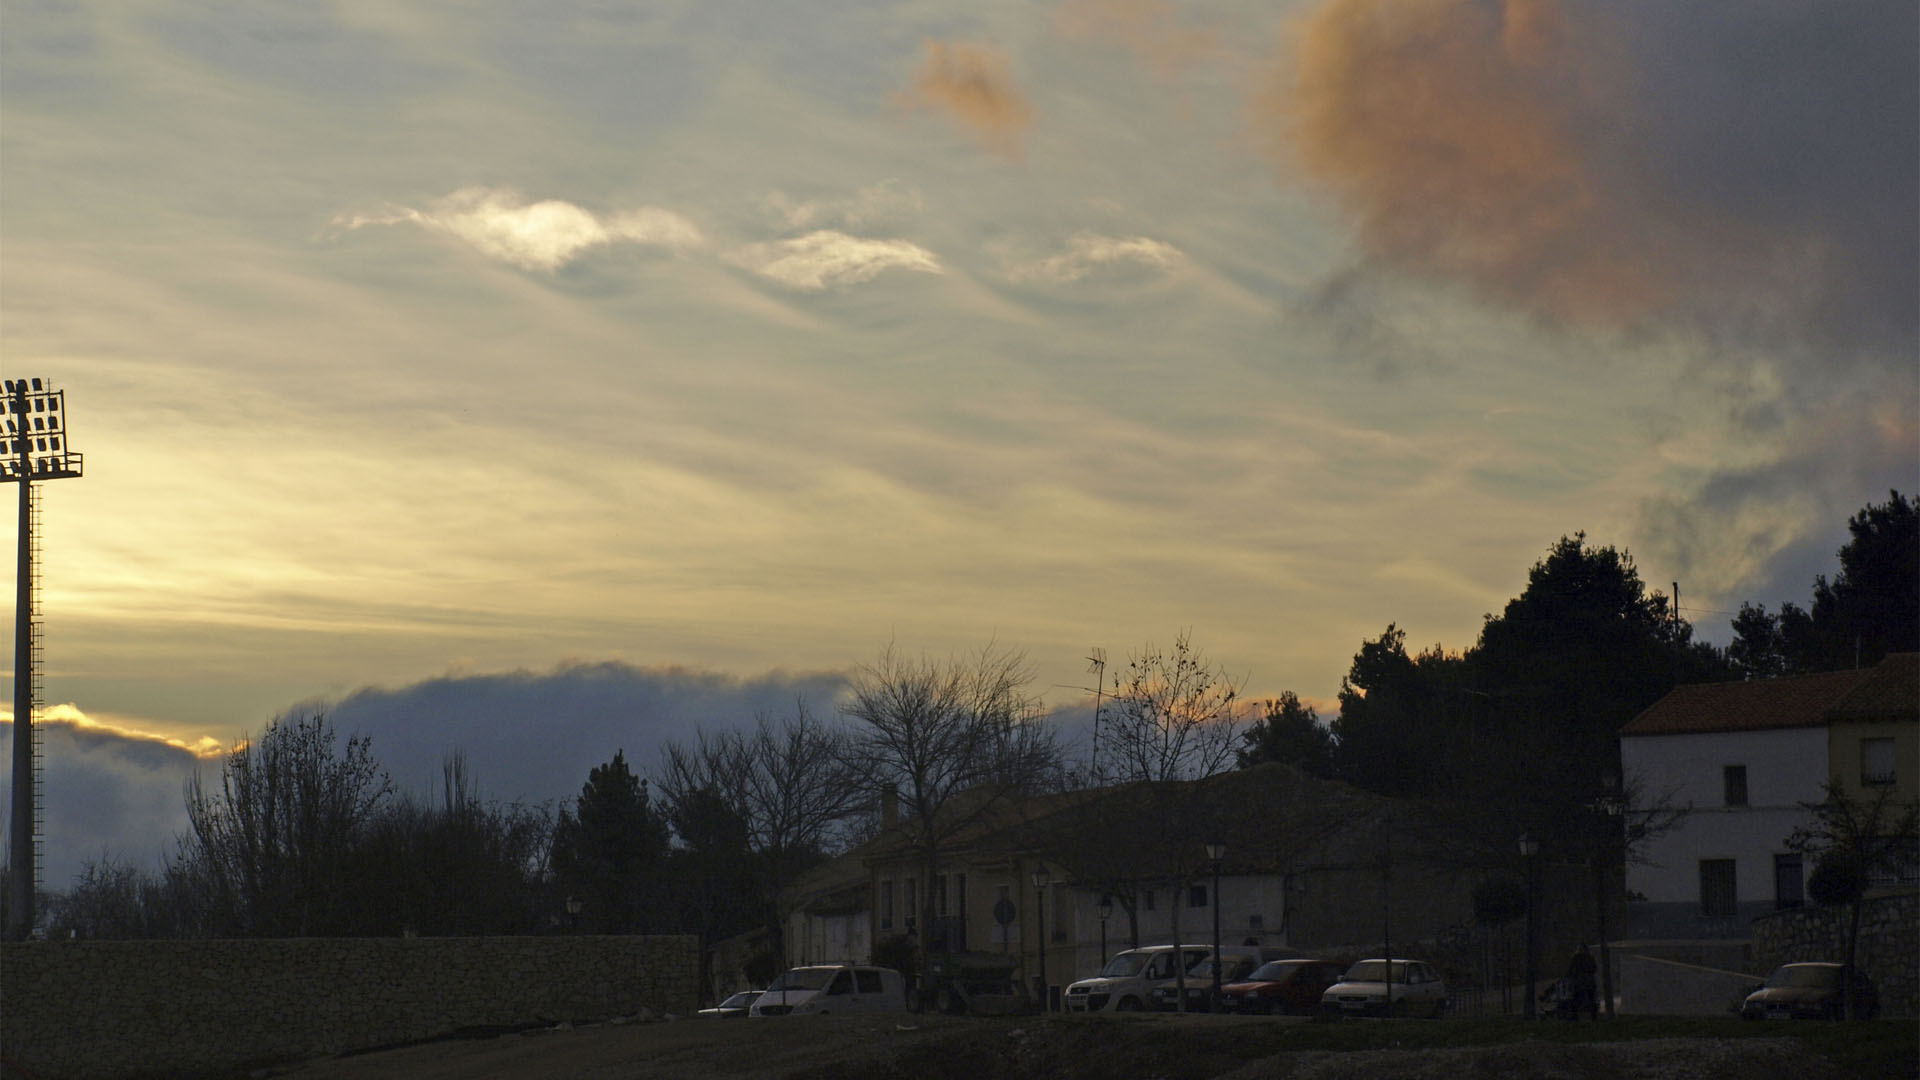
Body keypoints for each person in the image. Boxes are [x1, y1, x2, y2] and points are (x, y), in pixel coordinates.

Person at [1565, 944, 1599, 1020]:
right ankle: (1594, 1016)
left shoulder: (1575, 958)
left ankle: (1574, 1015)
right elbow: (1594, 969)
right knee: (1591, 999)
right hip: (1589, 982)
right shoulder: (1590, 958)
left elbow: (1570, 971)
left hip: (1579, 982)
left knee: (1575, 999)